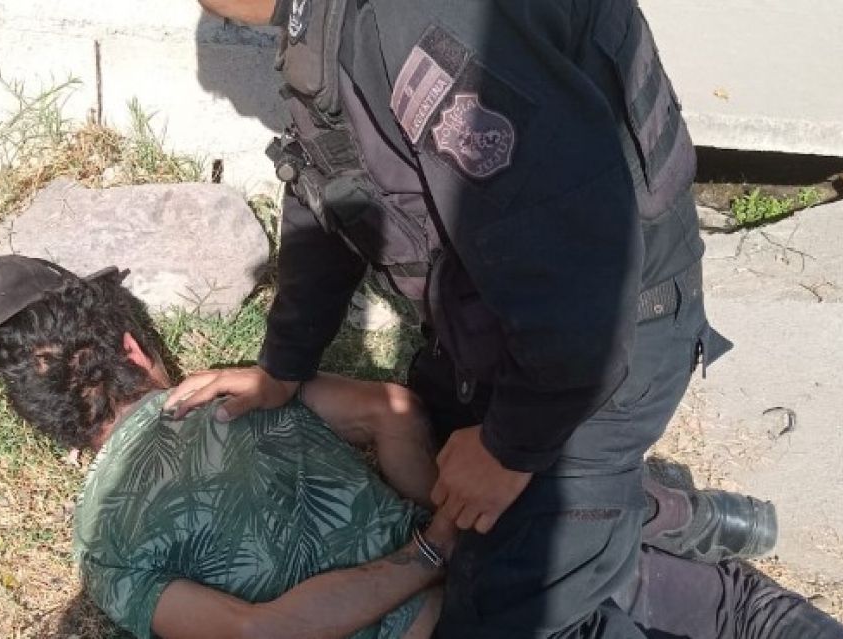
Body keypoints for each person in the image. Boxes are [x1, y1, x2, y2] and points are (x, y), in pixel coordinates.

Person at [166, 1, 772, 637]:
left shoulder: (421, 23)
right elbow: (332, 183)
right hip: (510, 334)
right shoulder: (333, 18)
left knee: (505, 611)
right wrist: (283, 367)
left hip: (601, 345)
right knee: (455, 495)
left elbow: (577, 272)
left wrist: (509, 449)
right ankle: (666, 514)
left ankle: (729, 595)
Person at [0, 256, 843, 639]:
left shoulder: (104, 550)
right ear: (136, 347)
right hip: (506, 564)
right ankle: (697, 518)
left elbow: (262, 633)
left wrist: (421, 563)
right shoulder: (235, 391)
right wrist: (435, 530)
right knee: (736, 608)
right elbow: (388, 409)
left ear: (37, 420)